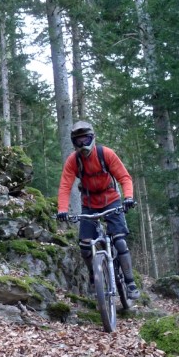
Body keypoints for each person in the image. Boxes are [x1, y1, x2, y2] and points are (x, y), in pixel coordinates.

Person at [56, 121, 140, 299]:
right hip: (89, 203)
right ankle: (95, 278)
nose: (83, 144)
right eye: (78, 141)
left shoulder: (105, 153)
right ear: (74, 143)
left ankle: (130, 283)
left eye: (86, 139)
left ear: (93, 138)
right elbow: (65, 186)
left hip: (111, 199)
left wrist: (129, 198)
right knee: (85, 245)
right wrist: (62, 209)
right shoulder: (73, 160)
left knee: (119, 241)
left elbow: (124, 177)